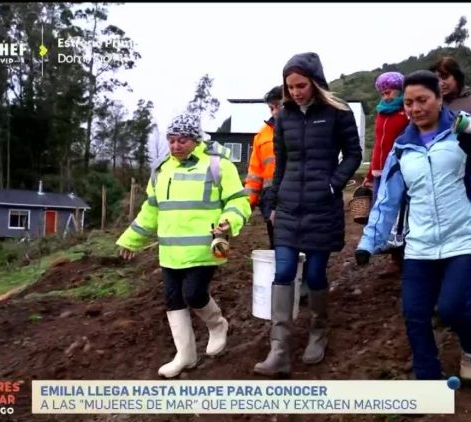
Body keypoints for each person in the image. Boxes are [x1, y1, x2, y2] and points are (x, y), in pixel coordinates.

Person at [355, 70, 471, 382]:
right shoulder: (402, 147)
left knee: (452, 308)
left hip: (469, 237)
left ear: (440, 98)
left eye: (422, 100)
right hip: (421, 243)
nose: (415, 109)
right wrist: (368, 243)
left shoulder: (466, 128)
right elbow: (387, 200)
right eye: (408, 103)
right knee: (415, 314)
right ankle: (427, 380)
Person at [116, 112, 251, 378]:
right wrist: (131, 239)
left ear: (195, 140)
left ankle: (217, 325)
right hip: (169, 251)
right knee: (173, 300)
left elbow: (239, 202)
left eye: (183, 141)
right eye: (172, 140)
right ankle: (186, 355)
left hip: (205, 247)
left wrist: (228, 221)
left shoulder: (218, 166)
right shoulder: (162, 169)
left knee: (193, 294)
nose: (176, 146)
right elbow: (151, 209)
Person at [253, 52, 363, 377]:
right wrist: (271, 201)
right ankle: (280, 349)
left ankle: (318, 330)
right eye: (290, 87)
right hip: (288, 206)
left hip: (321, 205)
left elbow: (354, 153)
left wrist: (333, 184)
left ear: (315, 82)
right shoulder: (284, 117)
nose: (296, 92)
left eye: (301, 85)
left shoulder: (337, 112)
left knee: (315, 275)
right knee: (283, 271)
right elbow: (281, 162)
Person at [362, 71, 410, 278]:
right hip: (380, 170)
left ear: (399, 90)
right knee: (382, 213)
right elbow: (377, 147)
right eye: (382, 93)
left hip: (399, 170)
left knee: (401, 213)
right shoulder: (381, 113)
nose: (386, 97)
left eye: (389, 92)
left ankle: (405, 256)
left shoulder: (405, 112)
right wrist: (370, 174)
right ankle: (393, 256)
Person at [245, 85, 283, 249]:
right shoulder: (262, 135)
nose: (274, 112)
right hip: (270, 198)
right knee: (278, 247)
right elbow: (254, 174)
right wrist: (246, 205)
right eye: (271, 107)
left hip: (299, 195)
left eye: (278, 106)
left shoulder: (305, 129)